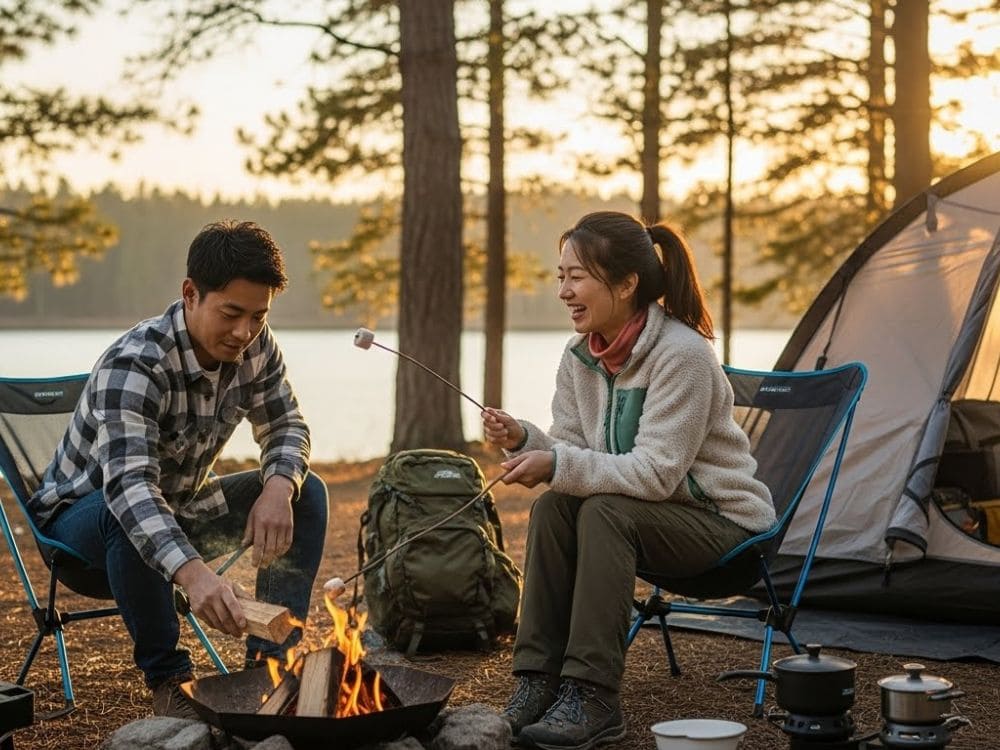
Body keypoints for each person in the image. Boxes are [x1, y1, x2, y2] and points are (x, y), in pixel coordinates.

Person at [481, 211, 775, 750]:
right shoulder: (579, 357)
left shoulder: (682, 355)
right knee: (554, 508)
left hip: (725, 528)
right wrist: (526, 440)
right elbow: (575, 452)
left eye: (577, 276)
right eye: (560, 275)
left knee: (601, 509)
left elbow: (657, 474)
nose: (564, 290)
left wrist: (557, 465)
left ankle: (594, 696)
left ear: (625, 283)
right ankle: (538, 679)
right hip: (648, 519)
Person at [27, 220, 328, 719]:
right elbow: (129, 490)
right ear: (190, 293)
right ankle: (169, 678)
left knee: (306, 491)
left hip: (179, 506)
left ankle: (272, 665)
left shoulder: (257, 345)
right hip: (81, 531)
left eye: (258, 316)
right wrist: (195, 575)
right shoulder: (136, 364)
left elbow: (287, 423)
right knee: (125, 511)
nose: (244, 332)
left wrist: (279, 484)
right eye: (231, 313)